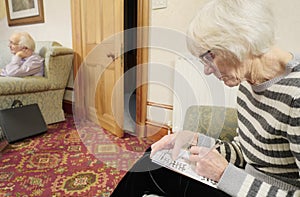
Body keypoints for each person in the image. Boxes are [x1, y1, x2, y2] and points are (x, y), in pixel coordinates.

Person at [110, 0, 300, 196]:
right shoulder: (248, 84)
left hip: (252, 189)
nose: (207, 70)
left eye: (209, 57)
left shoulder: (296, 96)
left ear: (241, 42)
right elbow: (246, 152)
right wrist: (194, 140)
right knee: (154, 156)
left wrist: (225, 174)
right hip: (244, 182)